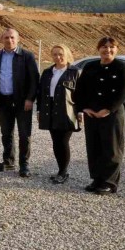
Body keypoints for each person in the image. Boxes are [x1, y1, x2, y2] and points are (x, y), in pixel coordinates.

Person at [73, 36, 125, 195]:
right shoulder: (90, 66)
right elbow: (80, 89)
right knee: (94, 147)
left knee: (111, 148)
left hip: (112, 114)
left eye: (112, 47)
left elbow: (124, 92)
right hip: (91, 113)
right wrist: (83, 108)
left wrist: (108, 109)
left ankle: (109, 182)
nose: (108, 50)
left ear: (117, 49)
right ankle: (97, 179)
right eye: (104, 47)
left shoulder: (122, 67)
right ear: (98, 49)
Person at [0, 28, 39, 177]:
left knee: (24, 134)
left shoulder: (27, 56)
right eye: (6, 37)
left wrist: (30, 98)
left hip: (22, 102)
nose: (9, 40)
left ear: (18, 39)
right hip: (3, 101)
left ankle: (24, 164)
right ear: (1, 39)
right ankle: (8, 161)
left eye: (12, 37)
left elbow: (34, 79)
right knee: (6, 134)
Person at [37, 44, 81, 184]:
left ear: (67, 54)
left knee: (63, 141)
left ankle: (63, 172)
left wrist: (80, 111)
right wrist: (39, 110)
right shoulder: (47, 72)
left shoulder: (74, 72)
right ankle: (60, 170)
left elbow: (81, 94)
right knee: (56, 142)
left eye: (60, 54)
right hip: (49, 109)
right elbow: (40, 92)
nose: (58, 57)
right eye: (55, 54)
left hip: (67, 111)